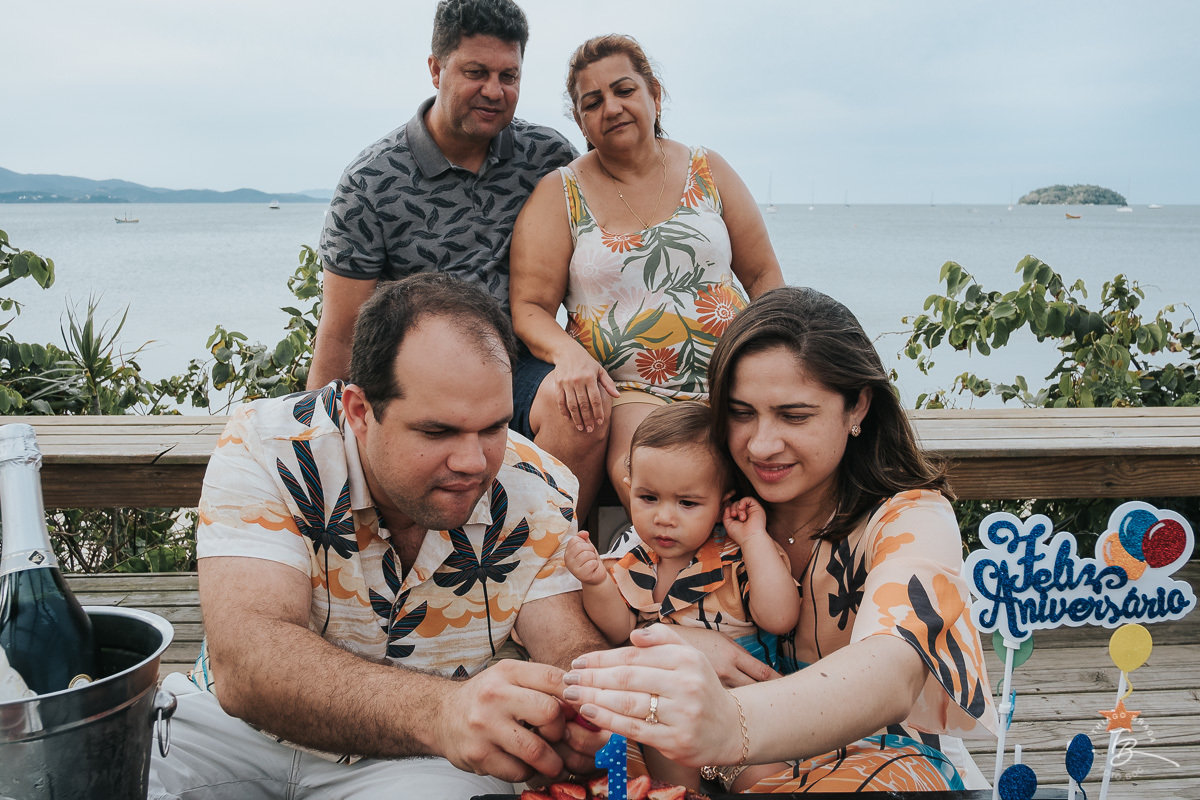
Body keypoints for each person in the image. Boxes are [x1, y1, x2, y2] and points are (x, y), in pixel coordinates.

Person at [150, 274, 609, 800]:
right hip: (228, 734)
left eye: (494, 427)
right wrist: (445, 710)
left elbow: (566, 642)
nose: (474, 462)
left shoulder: (541, 489)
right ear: (360, 411)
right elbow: (247, 660)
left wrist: (583, 703)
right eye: (438, 432)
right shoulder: (269, 448)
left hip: (417, 762)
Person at [561, 287, 999, 793]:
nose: (762, 445)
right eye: (741, 413)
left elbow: (893, 672)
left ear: (857, 407)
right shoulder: (699, 502)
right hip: (692, 749)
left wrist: (729, 720)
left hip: (869, 757)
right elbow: (606, 597)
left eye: (794, 416)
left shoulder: (911, 518)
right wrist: (683, 643)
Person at [309, 0, 610, 520]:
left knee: (579, 408)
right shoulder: (371, 182)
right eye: (476, 72)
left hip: (516, 365)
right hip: (418, 377)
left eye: (508, 75)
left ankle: (547, 564)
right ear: (436, 68)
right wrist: (317, 443)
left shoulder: (547, 158)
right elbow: (341, 330)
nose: (494, 90)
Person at [509, 34, 785, 513]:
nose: (611, 107)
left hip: (733, 381)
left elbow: (763, 277)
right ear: (580, 121)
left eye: (624, 90)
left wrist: (775, 363)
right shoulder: (561, 193)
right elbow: (530, 307)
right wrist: (568, 356)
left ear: (654, 94)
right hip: (634, 392)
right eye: (592, 102)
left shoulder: (708, 167)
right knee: (654, 486)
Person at [564, 400, 798, 791]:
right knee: (667, 787)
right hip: (667, 721)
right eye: (648, 498)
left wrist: (754, 537)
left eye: (687, 503)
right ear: (630, 488)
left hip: (745, 721)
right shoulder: (634, 563)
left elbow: (780, 617)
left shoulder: (738, 558)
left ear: (724, 502)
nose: (664, 517)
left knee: (770, 785)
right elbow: (619, 625)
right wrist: (595, 582)